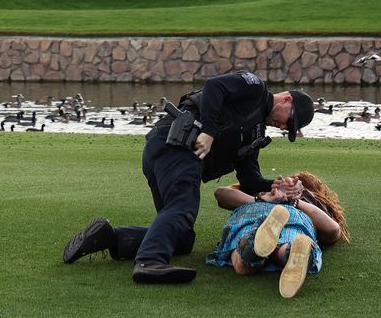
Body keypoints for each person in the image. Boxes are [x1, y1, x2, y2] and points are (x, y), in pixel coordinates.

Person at [61, 71, 315, 284]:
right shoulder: (256, 88)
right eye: (288, 121)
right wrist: (210, 131)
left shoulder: (256, 135)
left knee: (181, 238)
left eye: (288, 130)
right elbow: (215, 86)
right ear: (286, 99)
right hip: (174, 146)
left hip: (171, 156)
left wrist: (276, 187)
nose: (283, 127)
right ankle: (149, 262)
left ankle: (110, 238)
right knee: (183, 208)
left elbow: (249, 181)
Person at [207, 172, 348, 298]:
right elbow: (333, 231)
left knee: (241, 262)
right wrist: (285, 201)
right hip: (295, 219)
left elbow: (221, 194)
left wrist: (262, 199)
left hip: (253, 213)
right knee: (289, 242)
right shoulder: (312, 204)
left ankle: (251, 244)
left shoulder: (305, 196)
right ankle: (289, 252)